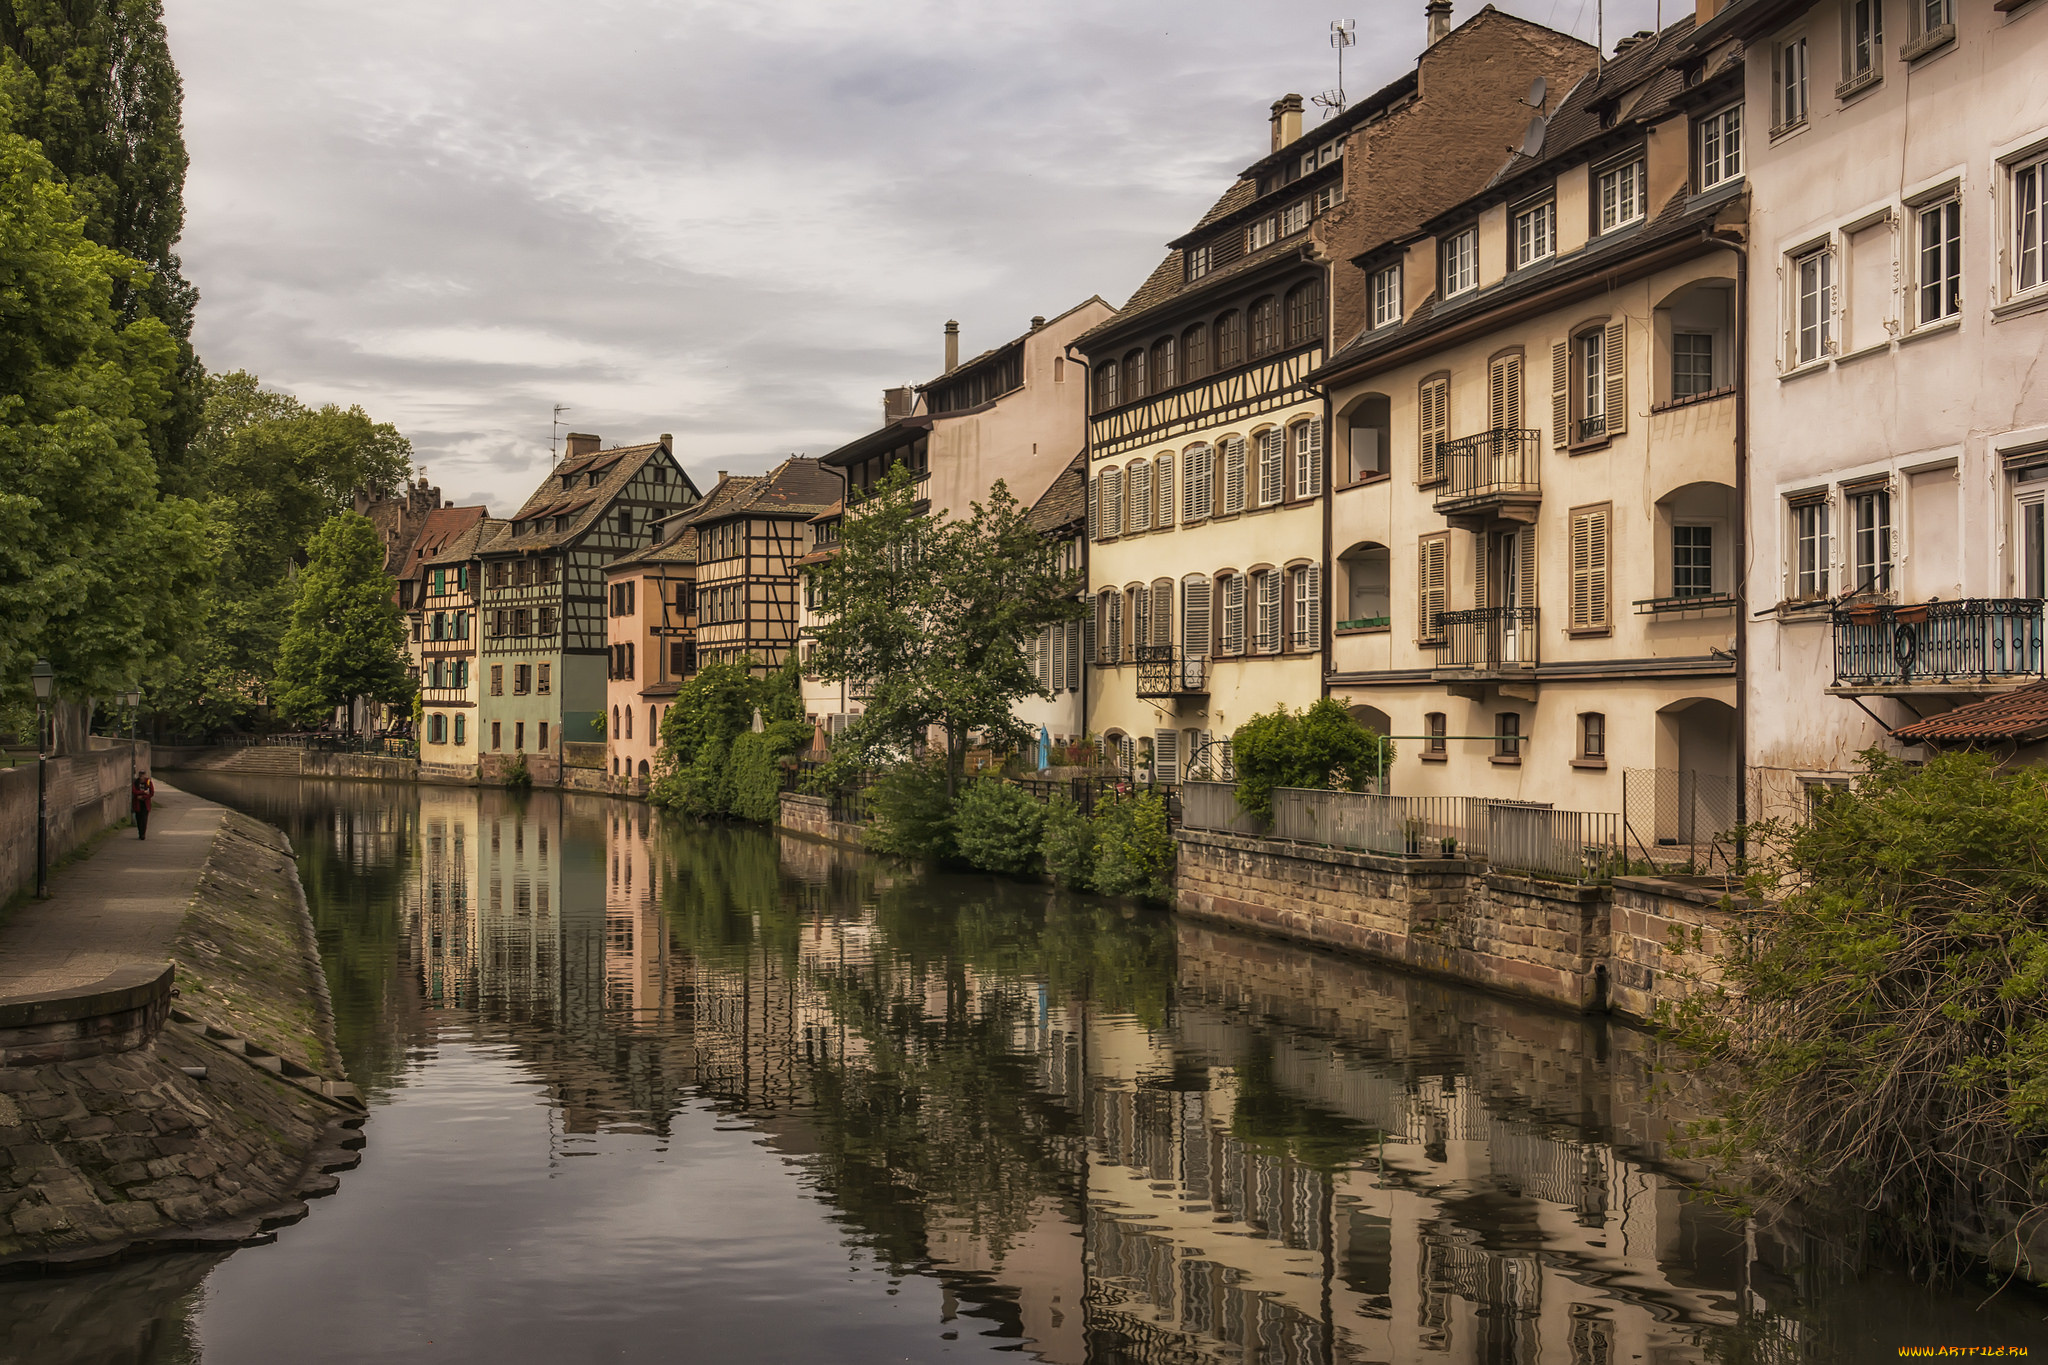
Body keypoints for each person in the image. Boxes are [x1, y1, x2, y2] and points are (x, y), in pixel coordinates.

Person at [131, 772, 155, 840]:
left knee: (144, 819)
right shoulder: (135, 782)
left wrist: (143, 797)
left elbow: (151, 792)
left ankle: (143, 834)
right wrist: (143, 792)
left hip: (145, 804)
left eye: (143, 776)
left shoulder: (148, 782)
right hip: (137, 804)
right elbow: (134, 791)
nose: (142, 778)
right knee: (138, 819)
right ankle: (140, 832)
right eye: (141, 776)